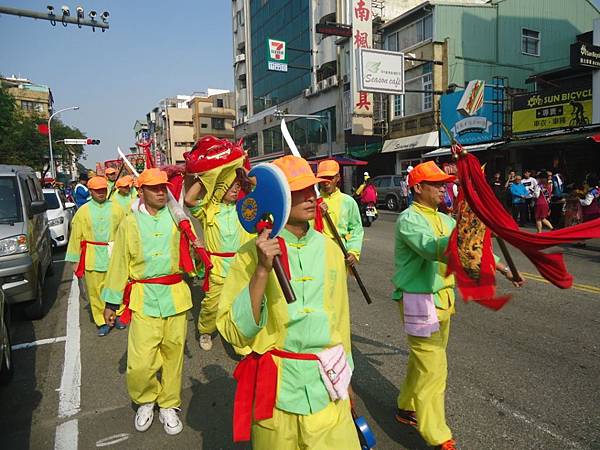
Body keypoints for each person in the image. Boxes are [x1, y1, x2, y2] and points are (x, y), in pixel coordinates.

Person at [217, 155, 361, 449]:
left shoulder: (331, 250)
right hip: (276, 391)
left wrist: (347, 377)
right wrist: (261, 270)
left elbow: (340, 321)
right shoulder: (250, 253)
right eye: (299, 191)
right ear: (277, 198)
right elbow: (234, 332)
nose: (311, 197)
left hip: (327, 384)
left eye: (313, 189)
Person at [392, 161, 521, 450]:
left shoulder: (447, 219)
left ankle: (405, 407)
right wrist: (470, 224)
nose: (443, 187)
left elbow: (472, 251)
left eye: (443, 183)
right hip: (419, 299)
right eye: (436, 184)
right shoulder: (410, 219)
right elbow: (435, 248)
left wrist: (504, 269)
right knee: (434, 367)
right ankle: (436, 435)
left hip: (442, 298)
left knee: (424, 361)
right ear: (417, 188)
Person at [101, 168, 195, 436]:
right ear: (140, 191)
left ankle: (168, 404)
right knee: (141, 361)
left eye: (163, 187)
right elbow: (119, 263)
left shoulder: (179, 218)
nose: (160, 191)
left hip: (176, 295)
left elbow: (193, 251)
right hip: (143, 299)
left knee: (172, 356)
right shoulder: (129, 223)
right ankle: (145, 399)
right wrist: (111, 302)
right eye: (153, 187)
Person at [183, 138, 252, 352]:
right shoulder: (208, 210)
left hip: (242, 266)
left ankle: (240, 342)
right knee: (211, 305)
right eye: (231, 186)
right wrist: (208, 176)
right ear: (221, 187)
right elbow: (189, 199)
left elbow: (257, 189)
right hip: (218, 267)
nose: (235, 190)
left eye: (237, 187)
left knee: (241, 306)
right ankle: (205, 330)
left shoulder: (245, 207)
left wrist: (241, 169)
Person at [65, 176, 126, 336]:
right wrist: (75, 260)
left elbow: (126, 231)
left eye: (103, 190)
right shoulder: (82, 211)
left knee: (118, 286)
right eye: (97, 190)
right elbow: (75, 237)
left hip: (114, 253)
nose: (101, 193)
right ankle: (102, 320)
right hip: (92, 255)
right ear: (90, 191)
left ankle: (118, 314)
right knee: (95, 291)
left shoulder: (117, 208)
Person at [316, 159, 364, 266]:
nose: (326, 182)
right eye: (322, 178)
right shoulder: (313, 202)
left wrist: (353, 251)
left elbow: (356, 229)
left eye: (330, 178)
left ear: (337, 178)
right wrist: (316, 214)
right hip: (318, 253)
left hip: (340, 251)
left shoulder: (348, 202)